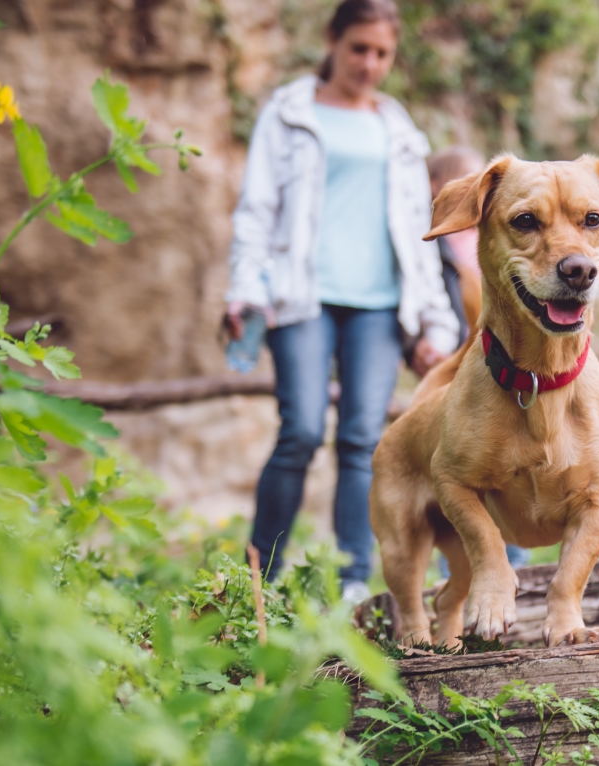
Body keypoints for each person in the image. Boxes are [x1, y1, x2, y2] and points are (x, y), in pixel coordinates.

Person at [224, 0, 458, 603]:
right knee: (300, 429)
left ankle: (353, 580)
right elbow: (257, 209)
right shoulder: (289, 113)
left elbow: (416, 228)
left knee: (361, 441)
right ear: (333, 40)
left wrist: (432, 316)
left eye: (382, 53)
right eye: (359, 48)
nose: (370, 64)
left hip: (380, 305)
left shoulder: (398, 128)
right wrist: (246, 289)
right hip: (301, 296)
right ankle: (261, 577)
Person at [420, 146, 532, 574]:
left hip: (504, 370)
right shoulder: (432, 245)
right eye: (467, 177)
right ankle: (458, 575)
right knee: (464, 475)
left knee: (512, 471)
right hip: (459, 370)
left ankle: (515, 567)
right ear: (440, 188)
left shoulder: (502, 234)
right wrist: (425, 343)